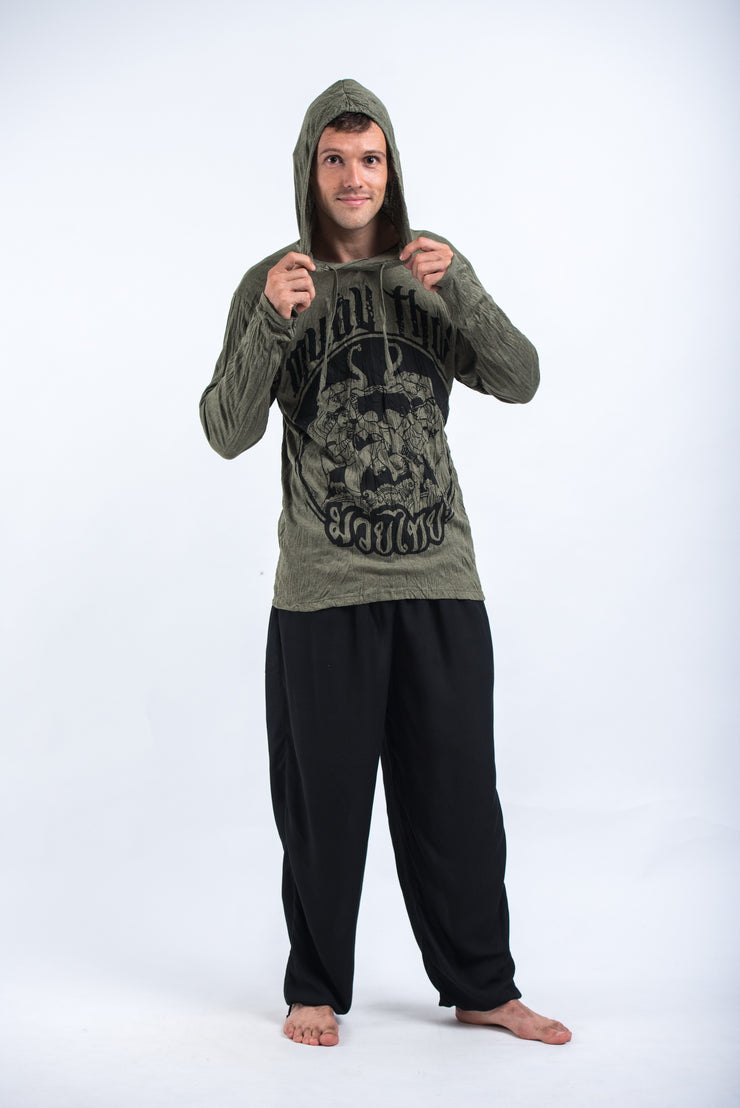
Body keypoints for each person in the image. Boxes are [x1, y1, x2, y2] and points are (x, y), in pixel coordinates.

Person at [200, 78, 571, 1049]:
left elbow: (520, 378)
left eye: (369, 159)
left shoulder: (430, 269)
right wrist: (271, 320)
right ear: (309, 171)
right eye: (334, 159)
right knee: (322, 808)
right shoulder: (274, 281)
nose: (353, 177)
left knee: (458, 800)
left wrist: (463, 290)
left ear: (391, 168)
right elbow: (225, 430)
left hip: (440, 577)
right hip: (323, 589)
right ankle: (314, 988)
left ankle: (482, 987)